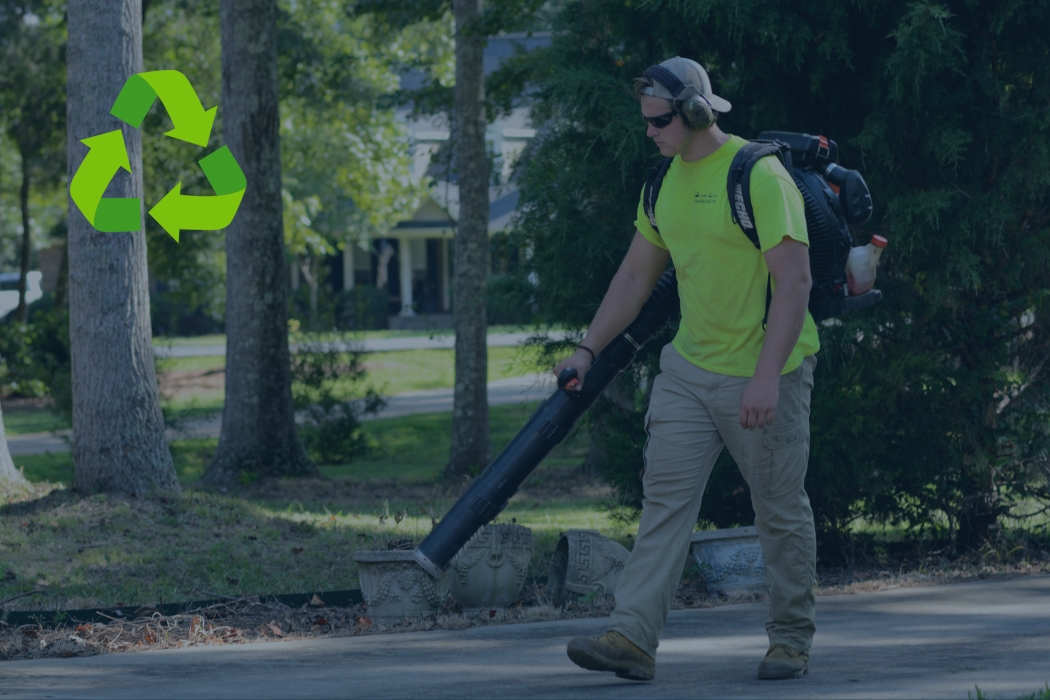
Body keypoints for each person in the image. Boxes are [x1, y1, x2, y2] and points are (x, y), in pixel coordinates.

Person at [555, 56, 821, 682]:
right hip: (689, 371)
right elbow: (633, 277)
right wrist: (587, 348)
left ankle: (790, 639)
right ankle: (632, 637)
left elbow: (796, 281)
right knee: (665, 503)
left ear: (697, 113)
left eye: (659, 121)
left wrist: (764, 376)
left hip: (767, 372)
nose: (649, 132)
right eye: (646, 120)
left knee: (778, 509)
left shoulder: (759, 175)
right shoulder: (662, 182)